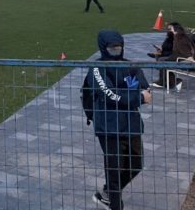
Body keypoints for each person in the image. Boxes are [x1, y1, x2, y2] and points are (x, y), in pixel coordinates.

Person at [81, 30, 151, 210]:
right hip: (108, 126)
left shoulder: (131, 65)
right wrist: (136, 97)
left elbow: (146, 89)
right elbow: (110, 94)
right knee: (114, 168)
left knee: (136, 164)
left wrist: (134, 95)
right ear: (103, 48)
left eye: (118, 47)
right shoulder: (97, 68)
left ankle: (108, 194)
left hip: (131, 123)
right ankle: (114, 203)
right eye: (111, 47)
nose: (116, 50)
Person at [152, 23, 195, 91]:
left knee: (163, 61)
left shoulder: (180, 39)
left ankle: (172, 82)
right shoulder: (180, 37)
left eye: (170, 29)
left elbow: (186, 54)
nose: (168, 31)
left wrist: (169, 58)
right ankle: (166, 81)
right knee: (162, 60)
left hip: (186, 62)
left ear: (176, 30)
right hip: (183, 59)